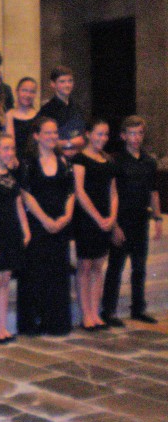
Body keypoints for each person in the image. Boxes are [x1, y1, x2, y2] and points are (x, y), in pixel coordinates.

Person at [102, 116, 163, 325]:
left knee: (139, 266)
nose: (136, 138)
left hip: (140, 218)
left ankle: (138, 308)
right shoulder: (116, 161)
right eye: (132, 133)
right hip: (121, 218)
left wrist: (157, 217)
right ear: (123, 136)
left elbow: (153, 191)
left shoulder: (149, 161)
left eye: (140, 133)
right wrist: (114, 225)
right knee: (116, 266)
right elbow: (110, 193)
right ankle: (108, 311)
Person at [17, 117, 74, 336]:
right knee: (35, 273)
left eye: (55, 132)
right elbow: (25, 193)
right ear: (36, 136)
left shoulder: (64, 161)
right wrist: (45, 220)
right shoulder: (28, 162)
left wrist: (66, 216)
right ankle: (32, 323)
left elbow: (70, 191)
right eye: (47, 132)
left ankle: (55, 322)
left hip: (60, 224)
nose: (52, 136)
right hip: (37, 224)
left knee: (57, 273)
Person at [0, 133, 30, 342]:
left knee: (6, 279)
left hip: (11, 230)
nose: (10, 152)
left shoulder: (12, 174)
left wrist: (25, 228)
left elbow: (18, 203)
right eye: (5, 148)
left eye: (12, 148)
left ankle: (2, 326)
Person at [72, 118, 118, 330]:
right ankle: (86, 315)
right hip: (87, 219)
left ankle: (95, 312)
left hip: (105, 219)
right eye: (99, 133)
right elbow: (79, 191)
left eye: (106, 134)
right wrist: (98, 218)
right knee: (85, 265)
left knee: (99, 266)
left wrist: (112, 217)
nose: (103, 138)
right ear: (88, 134)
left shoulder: (108, 161)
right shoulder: (80, 158)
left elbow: (113, 192)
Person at [37, 66, 85, 158]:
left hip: (78, 156)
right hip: (55, 157)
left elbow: (82, 136)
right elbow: (43, 140)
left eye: (70, 81)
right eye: (62, 81)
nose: (67, 85)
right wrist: (69, 143)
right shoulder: (46, 110)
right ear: (53, 84)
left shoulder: (77, 108)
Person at [6, 77, 39, 160]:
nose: (28, 95)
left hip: (35, 159)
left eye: (32, 92)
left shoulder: (39, 116)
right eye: (24, 90)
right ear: (17, 91)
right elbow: (9, 142)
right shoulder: (9, 115)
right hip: (14, 159)